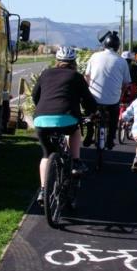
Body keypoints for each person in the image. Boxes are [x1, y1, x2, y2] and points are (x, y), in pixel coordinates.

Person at [33, 46, 97, 205]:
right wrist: (91, 112)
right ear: (74, 62)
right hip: (67, 118)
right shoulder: (76, 76)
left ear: (57, 61)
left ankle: (43, 190)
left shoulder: (46, 73)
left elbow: (35, 96)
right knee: (75, 130)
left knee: (46, 155)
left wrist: (43, 109)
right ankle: (75, 161)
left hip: (41, 119)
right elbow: (88, 100)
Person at [84, 30, 131, 149]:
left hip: (94, 99)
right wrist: (119, 93)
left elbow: (87, 76)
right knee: (114, 115)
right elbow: (126, 83)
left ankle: (89, 133)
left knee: (89, 112)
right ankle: (110, 139)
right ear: (117, 46)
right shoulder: (122, 61)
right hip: (112, 100)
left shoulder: (94, 56)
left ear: (104, 44)